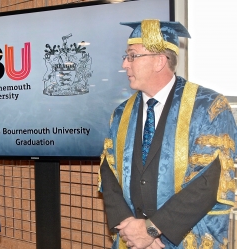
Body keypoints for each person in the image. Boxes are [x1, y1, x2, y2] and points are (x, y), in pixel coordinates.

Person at [98, 19, 236, 249]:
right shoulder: (122, 113)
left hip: (182, 239)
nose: (124, 64)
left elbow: (209, 181)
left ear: (159, 61)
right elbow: (108, 171)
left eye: (132, 56)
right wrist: (132, 229)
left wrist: (152, 229)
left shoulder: (208, 108)